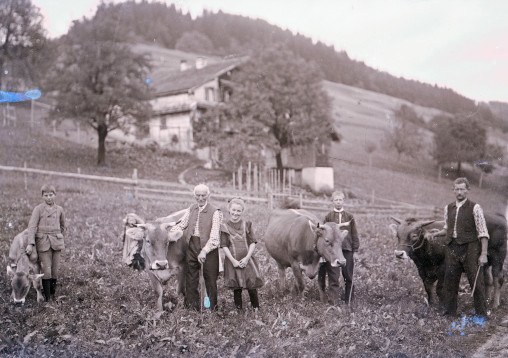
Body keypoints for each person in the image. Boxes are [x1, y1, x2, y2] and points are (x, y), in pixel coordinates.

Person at [433, 177, 489, 317]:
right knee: (450, 282)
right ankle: (450, 313)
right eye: (456, 189)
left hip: (470, 248)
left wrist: (483, 254)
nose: (459, 192)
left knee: (476, 282)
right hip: (452, 248)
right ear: (453, 190)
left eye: (462, 189)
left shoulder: (475, 208)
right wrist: (437, 233)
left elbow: (483, 232)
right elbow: (447, 228)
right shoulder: (448, 208)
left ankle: (481, 315)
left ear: (467, 190)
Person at [172, 184, 223, 311]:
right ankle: (191, 308)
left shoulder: (215, 212)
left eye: (203, 195)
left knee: (210, 278)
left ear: (208, 195)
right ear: (194, 196)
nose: (200, 198)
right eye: (198, 195)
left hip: (209, 248)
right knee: (191, 277)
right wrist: (170, 232)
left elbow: (215, 237)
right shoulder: (192, 208)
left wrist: (204, 251)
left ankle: (212, 309)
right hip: (192, 246)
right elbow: (182, 224)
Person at [220, 197, 263, 311]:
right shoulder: (224, 226)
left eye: (239, 211)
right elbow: (224, 245)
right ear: (229, 210)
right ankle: (239, 310)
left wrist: (247, 258)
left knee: (251, 284)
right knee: (237, 286)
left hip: (247, 259)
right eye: (233, 210)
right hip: (233, 260)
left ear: (242, 211)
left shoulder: (247, 225)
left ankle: (256, 309)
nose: (235, 213)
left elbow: (252, 242)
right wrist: (233, 261)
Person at [25, 184, 65, 301]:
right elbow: (32, 226)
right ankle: (47, 298)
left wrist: (58, 236)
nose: (49, 198)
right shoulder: (38, 209)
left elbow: (63, 226)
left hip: (56, 243)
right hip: (43, 243)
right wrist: (31, 243)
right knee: (46, 270)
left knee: (55, 270)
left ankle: (52, 294)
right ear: (42, 197)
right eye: (46, 195)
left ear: (55, 195)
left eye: (51, 195)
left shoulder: (60, 210)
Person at [319, 190, 359, 304]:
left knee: (348, 275)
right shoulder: (328, 216)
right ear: (332, 202)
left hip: (347, 249)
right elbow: (323, 234)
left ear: (343, 201)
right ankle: (333, 301)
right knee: (333, 276)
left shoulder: (349, 216)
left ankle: (349, 300)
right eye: (336, 200)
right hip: (333, 250)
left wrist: (355, 250)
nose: (338, 202)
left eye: (340, 200)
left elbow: (354, 233)